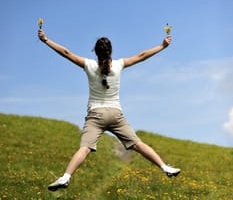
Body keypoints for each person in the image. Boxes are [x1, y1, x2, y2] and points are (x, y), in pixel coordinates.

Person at [38, 29, 180, 191]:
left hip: (95, 115)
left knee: (85, 148)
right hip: (115, 114)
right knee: (137, 144)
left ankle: (66, 177)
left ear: (96, 52)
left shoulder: (89, 65)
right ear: (110, 51)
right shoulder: (119, 65)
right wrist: (162, 45)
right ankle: (164, 167)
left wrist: (46, 40)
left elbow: (66, 52)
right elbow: (142, 55)